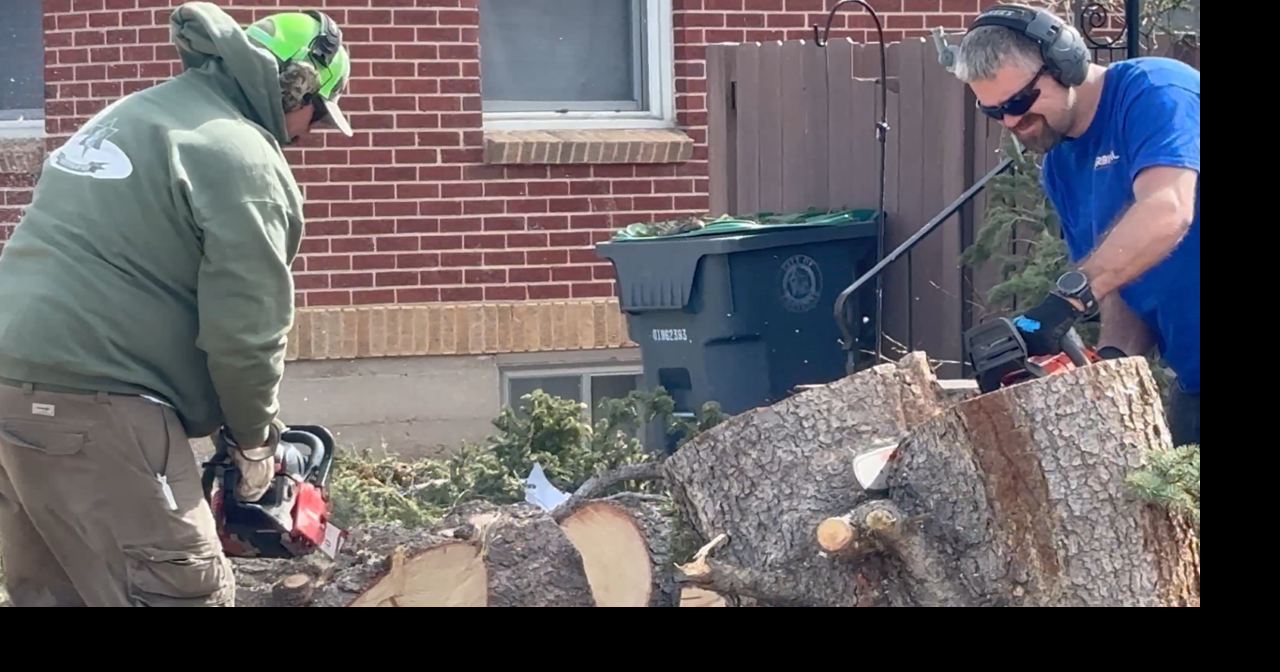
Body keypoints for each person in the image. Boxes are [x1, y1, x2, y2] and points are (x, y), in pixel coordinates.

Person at [0, 2, 352, 607]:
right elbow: (246, 333)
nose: (305, 135)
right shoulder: (243, 156)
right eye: (315, 117)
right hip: (100, 399)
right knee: (182, 592)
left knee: (58, 592)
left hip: (12, 384)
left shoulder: (134, 113)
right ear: (296, 88)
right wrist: (254, 449)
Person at [953, 5, 1199, 447]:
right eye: (995, 113)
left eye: (1019, 102)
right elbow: (1123, 282)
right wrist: (1105, 365)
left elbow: (1167, 210)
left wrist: (1065, 299)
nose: (1011, 121)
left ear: (1065, 61)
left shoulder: (1154, 92)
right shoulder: (1061, 167)